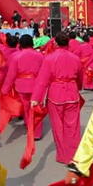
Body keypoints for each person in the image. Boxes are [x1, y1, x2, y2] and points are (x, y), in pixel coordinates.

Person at [31, 32, 84, 164]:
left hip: (56, 94)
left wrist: (35, 98)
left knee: (58, 125)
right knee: (72, 125)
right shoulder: (75, 58)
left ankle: (63, 154)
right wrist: (78, 87)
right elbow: (79, 77)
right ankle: (73, 154)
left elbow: (42, 80)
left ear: (55, 43)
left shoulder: (49, 59)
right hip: (72, 92)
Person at [1, 35, 45, 140]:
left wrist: (5, 89)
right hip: (37, 84)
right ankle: (36, 132)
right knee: (37, 108)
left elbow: (11, 75)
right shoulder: (40, 56)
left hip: (22, 85)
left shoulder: (16, 57)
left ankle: (29, 125)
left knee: (26, 108)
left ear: (20, 44)